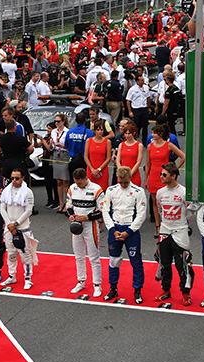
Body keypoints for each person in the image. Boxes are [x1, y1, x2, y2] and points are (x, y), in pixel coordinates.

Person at [101, 167, 148, 303]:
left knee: (136, 262)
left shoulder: (138, 192)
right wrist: (112, 229)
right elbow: (105, 211)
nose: (123, 185)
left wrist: (128, 232)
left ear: (130, 179)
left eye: (126, 182)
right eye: (121, 182)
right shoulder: (110, 190)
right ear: (117, 179)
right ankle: (113, 288)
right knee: (114, 261)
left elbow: (141, 214)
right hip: (115, 228)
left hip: (131, 230)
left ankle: (137, 290)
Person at [154, 164, 195, 306]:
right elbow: (160, 210)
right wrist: (162, 226)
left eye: (164, 175)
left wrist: (183, 224)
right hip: (165, 232)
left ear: (173, 176)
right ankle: (165, 290)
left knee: (183, 264)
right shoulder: (160, 193)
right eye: (161, 174)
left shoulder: (184, 192)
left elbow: (191, 212)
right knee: (164, 263)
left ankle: (185, 293)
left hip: (180, 232)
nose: (161, 177)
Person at [0, 168, 39, 290]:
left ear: (23, 178)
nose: (14, 180)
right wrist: (9, 224)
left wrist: (15, 224)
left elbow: (28, 211)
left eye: (17, 178)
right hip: (9, 228)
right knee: (11, 254)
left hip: (23, 228)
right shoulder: (6, 190)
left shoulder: (28, 192)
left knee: (25, 254)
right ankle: (12, 276)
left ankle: (28, 278)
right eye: (12, 178)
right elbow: (2, 208)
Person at [67, 168, 105, 297]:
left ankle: (97, 284)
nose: (78, 185)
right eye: (76, 183)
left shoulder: (97, 189)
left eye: (80, 183)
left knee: (94, 256)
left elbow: (102, 211)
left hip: (91, 226)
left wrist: (88, 217)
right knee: (79, 256)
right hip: (76, 225)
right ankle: (81, 281)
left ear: (85, 179)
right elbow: (69, 207)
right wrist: (71, 216)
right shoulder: (72, 188)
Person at [145, 124, 186, 238]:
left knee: (167, 200)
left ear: (160, 134)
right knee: (154, 202)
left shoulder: (169, 145)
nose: (152, 135)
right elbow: (148, 164)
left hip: (165, 175)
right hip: (153, 175)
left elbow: (183, 156)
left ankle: (167, 225)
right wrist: (146, 179)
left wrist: (174, 169)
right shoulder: (150, 146)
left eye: (154, 133)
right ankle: (158, 227)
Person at [65, 113, 95, 189]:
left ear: (75, 120)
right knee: (85, 183)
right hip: (85, 161)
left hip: (73, 160)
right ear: (85, 121)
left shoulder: (69, 132)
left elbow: (66, 146)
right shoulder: (90, 133)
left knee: (72, 183)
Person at [50, 114, 71, 212]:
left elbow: (69, 147)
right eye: (55, 121)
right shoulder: (54, 132)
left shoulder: (67, 132)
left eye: (58, 121)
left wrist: (61, 145)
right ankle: (60, 203)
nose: (56, 123)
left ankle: (67, 204)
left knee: (65, 181)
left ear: (63, 121)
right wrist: (51, 145)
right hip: (55, 154)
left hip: (64, 154)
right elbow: (51, 147)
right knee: (58, 181)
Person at [84, 120, 112, 190]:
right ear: (94, 130)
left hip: (102, 171)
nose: (100, 131)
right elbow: (86, 157)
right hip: (91, 170)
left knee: (102, 191)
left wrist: (99, 170)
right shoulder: (89, 141)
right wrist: (92, 170)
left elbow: (108, 158)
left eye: (101, 130)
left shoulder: (107, 142)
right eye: (98, 129)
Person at [115, 120, 143, 186]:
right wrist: (121, 172)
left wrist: (129, 174)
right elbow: (118, 161)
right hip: (122, 175)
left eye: (129, 133)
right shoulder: (121, 145)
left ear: (133, 133)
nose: (127, 135)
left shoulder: (139, 145)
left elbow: (138, 162)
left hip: (134, 175)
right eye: (126, 133)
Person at [126, 75, 153, 140]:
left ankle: (144, 140)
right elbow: (128, 100)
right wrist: (130, 111)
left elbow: (148, 98)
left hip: (144, 109)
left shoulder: (146, 88)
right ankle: (134, 139)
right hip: (136, 109)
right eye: (141, 80)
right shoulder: (132, 89)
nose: (143, 81)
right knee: (136, 126)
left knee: (145, 125)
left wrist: (148, 107)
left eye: (143, 80)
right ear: (137, 81)